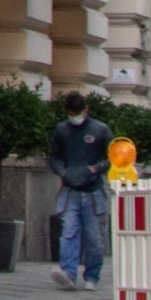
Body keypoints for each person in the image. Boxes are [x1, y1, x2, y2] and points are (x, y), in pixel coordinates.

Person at [50, 90, 114, 288]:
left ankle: (92, 276)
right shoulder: (62, 130)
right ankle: (68, 273)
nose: (74, 117)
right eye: (70, 113)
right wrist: (62, 172)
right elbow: (54, 157)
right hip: (70, 190)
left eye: (77, 112)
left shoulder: (101, 130)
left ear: (86, 109)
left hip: (93, 191)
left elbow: (112, 157)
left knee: (94, 237)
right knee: (69, 232)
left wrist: (95, 169)